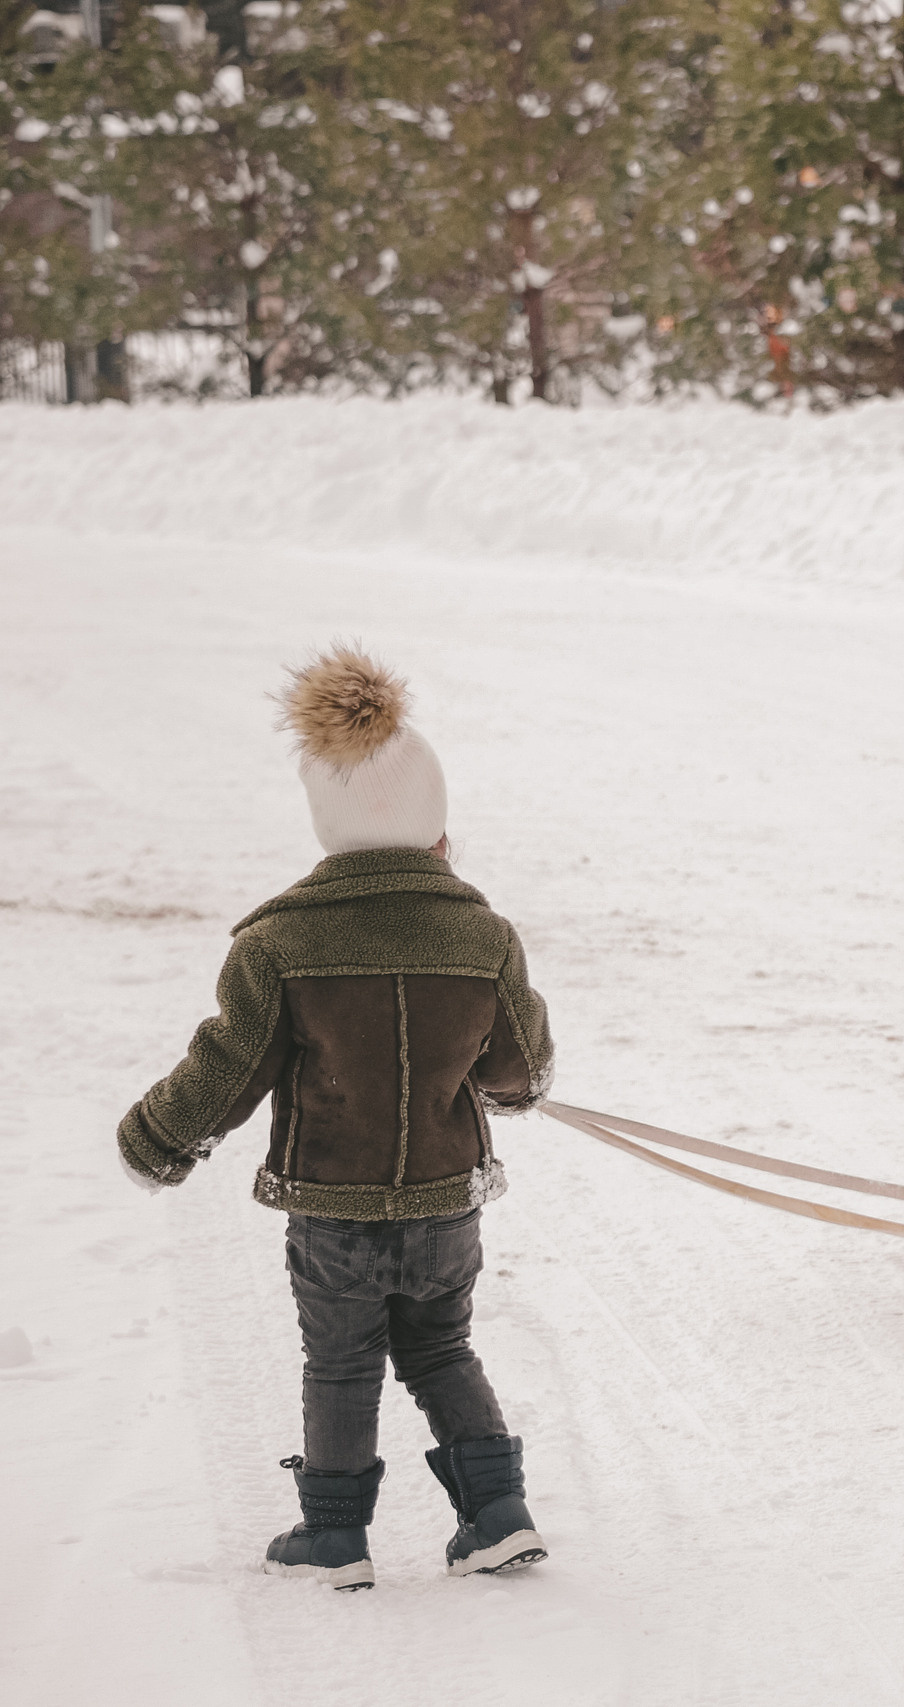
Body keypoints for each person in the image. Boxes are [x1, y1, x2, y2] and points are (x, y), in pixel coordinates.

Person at [116, 648, 555, 1592]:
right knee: (440, 1346)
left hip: (336, 1211)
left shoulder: (279, 943)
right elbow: (519, 1060)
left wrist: (156, 1134)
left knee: (342, 1360)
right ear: (436, 828)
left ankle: (334, 1536)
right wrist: (513, 1090)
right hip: (445, 1204)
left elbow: (230, 1064)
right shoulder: (483, 936)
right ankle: (497, 1512)